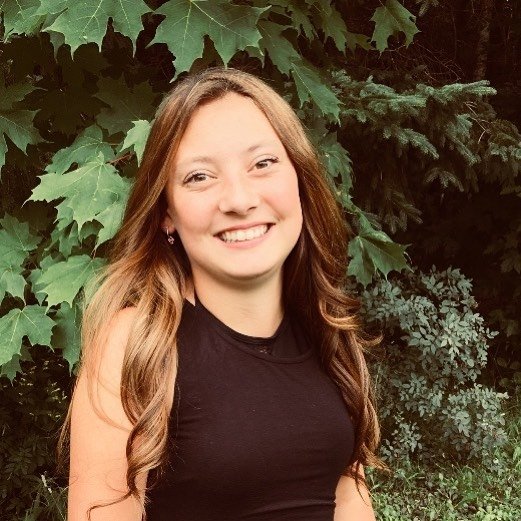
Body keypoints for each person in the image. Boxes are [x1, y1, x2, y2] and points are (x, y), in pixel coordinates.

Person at [64, 67, 384, 520]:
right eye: (199, 176)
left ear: (300, 179)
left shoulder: (325, 326)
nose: (238, 199)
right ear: (166, 213)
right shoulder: (137, 344)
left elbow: (349, 496)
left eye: (262, 164)